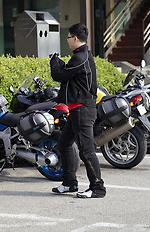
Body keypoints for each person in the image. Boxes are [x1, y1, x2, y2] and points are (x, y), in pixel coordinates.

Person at [49, 23, 106, 198]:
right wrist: (59, 63)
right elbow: (68, 73)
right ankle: (69, 183)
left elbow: (60, 75)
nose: (67, 41)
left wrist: (54, 61)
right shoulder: (81, 56)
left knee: (86, 150)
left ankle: (97, 188)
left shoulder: (80, 57)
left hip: (83, 110)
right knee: (64, 144)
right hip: (76, 110)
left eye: (67, 37)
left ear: (75, 38)